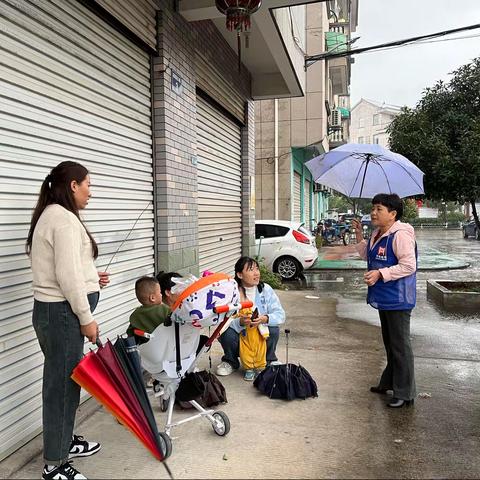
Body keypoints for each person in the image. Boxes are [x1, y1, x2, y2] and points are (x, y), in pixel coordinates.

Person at [27, 161, 110, 480]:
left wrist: (91, 278)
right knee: (61, 386)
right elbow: (64, 275)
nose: (91, 191)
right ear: (73, 185)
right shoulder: (60, 218)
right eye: (88, 184)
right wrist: (86, 318)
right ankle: (54, 463)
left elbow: (71, 267)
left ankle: (63, 440)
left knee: (68, 381)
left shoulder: (60, 216)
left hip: (62, 312)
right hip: (62, 314)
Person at [352, 193, 417, 408]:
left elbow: (409, 265)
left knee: (400, 346)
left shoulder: (400, 235)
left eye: (379, 209)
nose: (373, 212)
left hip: (398, 298)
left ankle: (405, 393)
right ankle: (389, 382)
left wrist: (381, 274)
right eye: (373, 208)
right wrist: (360, 236)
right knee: (390, 344)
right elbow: (367, 256)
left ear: (393, 213)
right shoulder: (378, 233)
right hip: (384, 297)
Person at [216, 256, 286, 381]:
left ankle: (269, 359)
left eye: (257, 269)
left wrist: (265, 318)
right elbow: (221, 320)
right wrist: (240, 322)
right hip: (241, 336)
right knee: (226, 333)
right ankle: (231, 361)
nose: (256, 273)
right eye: (251, 270)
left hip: (259, 335)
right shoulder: (232, 292)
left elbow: (280, 314)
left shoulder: (265, 290)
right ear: (240, 274)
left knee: (273, 329)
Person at [127, 276, 171, 343]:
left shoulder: (135, 315)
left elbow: (130, 334)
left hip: (146, 349)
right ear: (152, 298)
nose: (161, 295)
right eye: (160, 292)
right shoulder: (165, 309)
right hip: (166, 346)